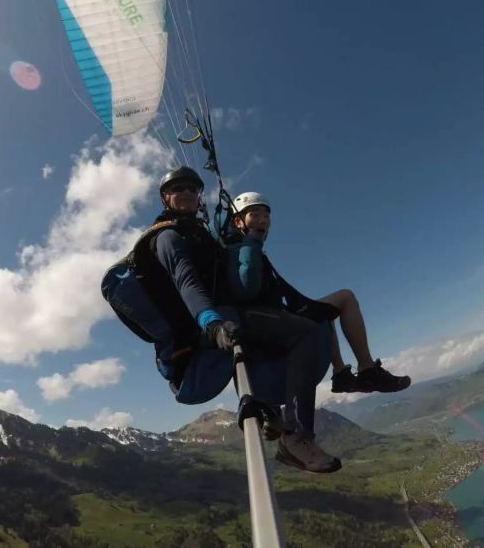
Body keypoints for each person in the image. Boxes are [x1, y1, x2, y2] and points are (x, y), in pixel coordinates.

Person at [145, 167, 341, 474]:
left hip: (225, 318)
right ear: (164, 197)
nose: (185, 192)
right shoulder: (167, 237)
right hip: (206, 325)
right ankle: (296, 435)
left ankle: (272, 412)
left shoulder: (197, 233)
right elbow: (186, 281)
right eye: (177, 188)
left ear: (199, 197)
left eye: (192, 189)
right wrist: (211, 322)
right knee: (306, 332)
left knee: (280, 334)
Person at [227, 191, 411, 395]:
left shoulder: (246, 248)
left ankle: (341, 374)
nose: (263, 220)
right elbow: (247, 288)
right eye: (254, 214)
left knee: (325, 312)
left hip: (276, 313)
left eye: (266, 215)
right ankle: (367, 370)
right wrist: (252, 242)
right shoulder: (242, 248)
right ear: (238, 221)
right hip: (270, 319)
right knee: (346, 298)